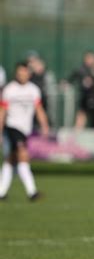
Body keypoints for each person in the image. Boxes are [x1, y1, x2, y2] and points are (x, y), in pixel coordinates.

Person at [0, 61, 49, 200]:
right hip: (12, 127)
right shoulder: (9, 89)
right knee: (23, 155)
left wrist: (44, 125)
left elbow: (39, 110)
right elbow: (2, 112)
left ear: (29, 73)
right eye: (19, 72)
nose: (22, 75)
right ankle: (32, 192)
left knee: (11, 159)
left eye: (24, 72)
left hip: (25, 129)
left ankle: (1, 192)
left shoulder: (33, 89)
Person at [67, 51, 94, 129]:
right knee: (82, 113)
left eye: (91, 58)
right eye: (88, 58)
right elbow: (72, 78)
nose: (89, 60)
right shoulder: (81, 70)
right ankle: (77, 131)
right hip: (85, 96)